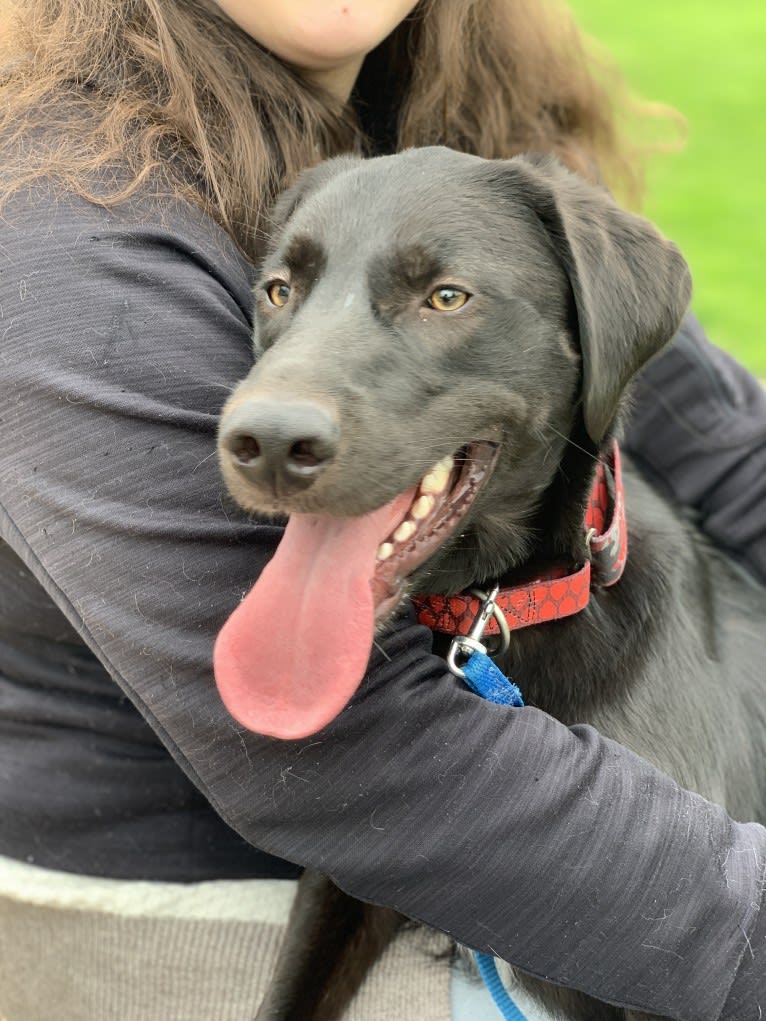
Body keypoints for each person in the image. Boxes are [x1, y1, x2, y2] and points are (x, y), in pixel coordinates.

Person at [0, 1, 763, 1019]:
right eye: (280, 292)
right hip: (180, 912)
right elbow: (356, 762)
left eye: (443, 296)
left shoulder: (458, 140)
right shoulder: (70, 216)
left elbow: (727, 457)